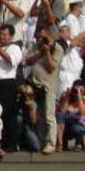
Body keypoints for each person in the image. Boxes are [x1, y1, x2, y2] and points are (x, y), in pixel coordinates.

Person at [25, 24, 62, 154]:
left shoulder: (57, 49)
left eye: (45, 37)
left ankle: (51, 143)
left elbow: (51, 67)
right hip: (35, 85)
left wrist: (46, 53)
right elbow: (27, 61)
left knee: (49, 115)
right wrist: (40, 51)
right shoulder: (37, 45)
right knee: (38, 115)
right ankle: (41, 142)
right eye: (41, 36)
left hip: (49, 87)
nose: (42, 39)